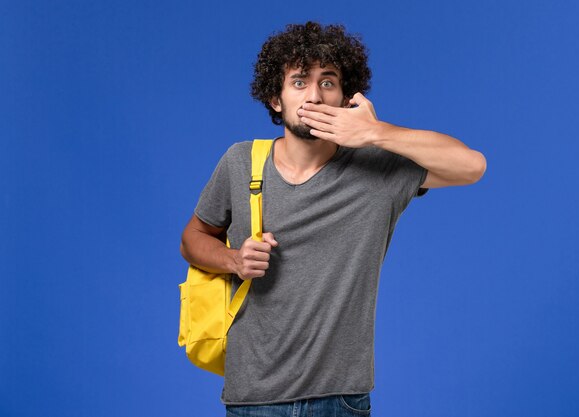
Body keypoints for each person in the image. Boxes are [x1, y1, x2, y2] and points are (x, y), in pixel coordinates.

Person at [180, 21, 486, 416]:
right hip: (252, 398)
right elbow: (193, 238)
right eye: (299, 82)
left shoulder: (377, 170)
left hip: (340, 400)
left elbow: (472, 166)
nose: (314, 96)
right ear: (276, 98)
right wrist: (234, 260)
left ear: (344, 98)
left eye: (328, 82)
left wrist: (376, 133)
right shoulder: (241, 162)